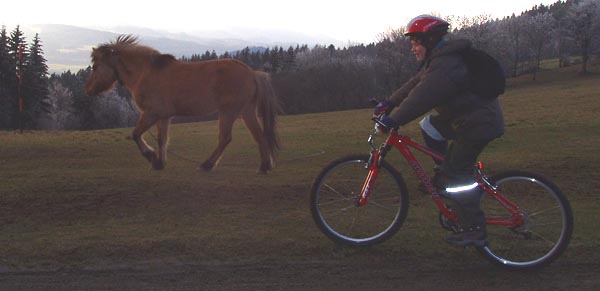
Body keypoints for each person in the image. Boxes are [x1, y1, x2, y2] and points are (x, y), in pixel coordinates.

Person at [373, 15, 505, 247]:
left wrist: (393, 120)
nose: (413, 48)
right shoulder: (440, 60)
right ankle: (441, 171)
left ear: (430, 40)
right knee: (429, 125)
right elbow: (417, 83)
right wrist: (390, 101)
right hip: (464, 120)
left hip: (477, 125)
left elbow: (422, 97)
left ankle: (474, 228)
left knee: (456, 177)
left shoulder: (447, 66)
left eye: (416, 42)